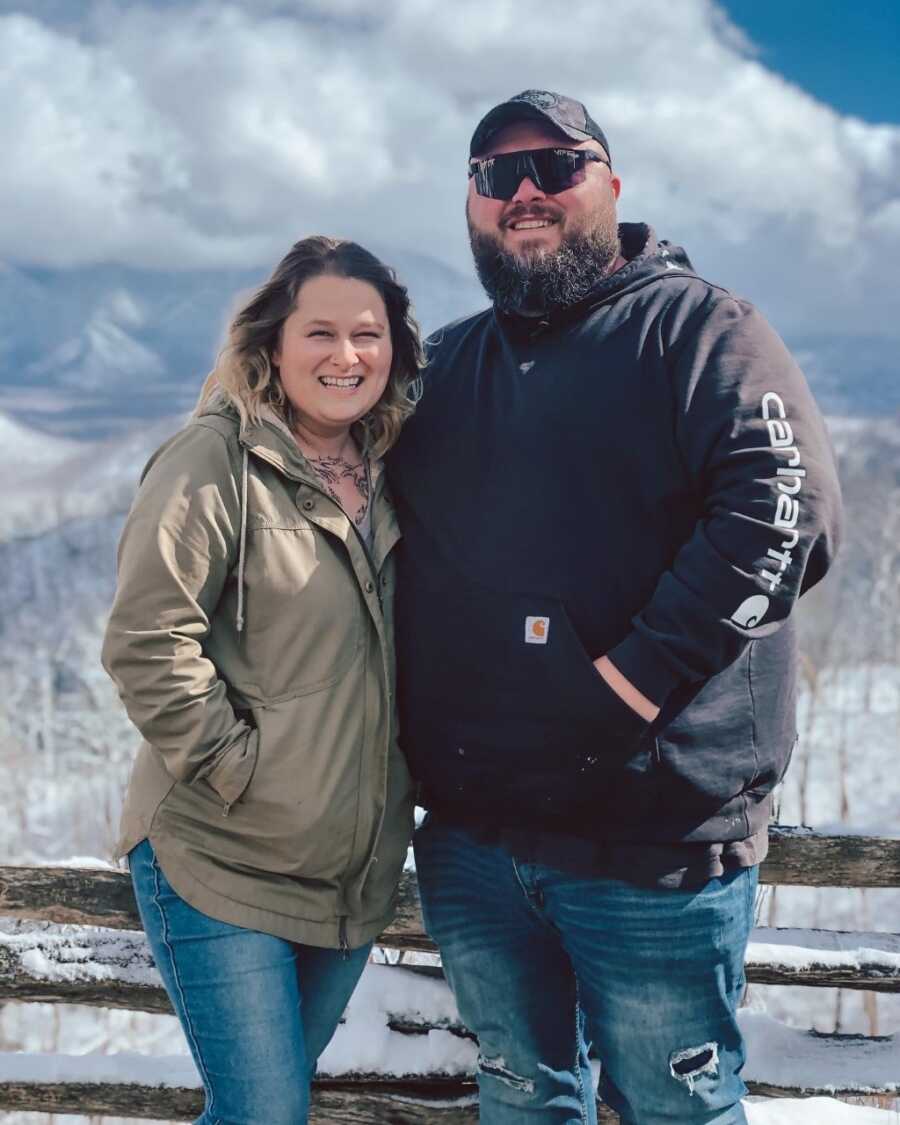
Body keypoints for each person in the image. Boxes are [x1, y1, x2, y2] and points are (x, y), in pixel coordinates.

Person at [387, 90, 842, 1124]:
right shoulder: (448, 366)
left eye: (558, 164)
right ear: (471, 202)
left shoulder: (701, 329)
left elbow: (786, 511)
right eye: (498, 175)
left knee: (673, 1110)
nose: (528, 191)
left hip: (651, 842)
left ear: (612, 184)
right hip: (475, 840)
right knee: (519, 1097)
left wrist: (632, 680)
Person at [102, 236, 422, 1124]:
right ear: (273, 344)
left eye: (368, 332)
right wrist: (239, 766)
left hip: (348, 881)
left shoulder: (403, 470)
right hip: (220, 856)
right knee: (264, 1115)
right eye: (319, 332)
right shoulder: (215, 461)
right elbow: (144, 639)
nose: (345, 355)